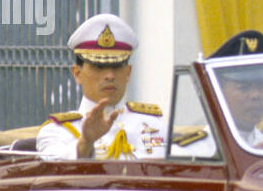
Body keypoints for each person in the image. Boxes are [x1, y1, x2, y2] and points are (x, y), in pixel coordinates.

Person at [37, 13, 167, 160]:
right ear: (77, 73)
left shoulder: (155, 124)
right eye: (99, 67)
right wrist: (85, 142)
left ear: (128, 73)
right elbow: (55, 168)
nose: (110, 75)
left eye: (117, 66)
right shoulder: (57, 131)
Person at [215, 29, 263, 146]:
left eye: (261, 87)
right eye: (243, 88)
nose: (256, 95)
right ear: (218, 93)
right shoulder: (195, 152)